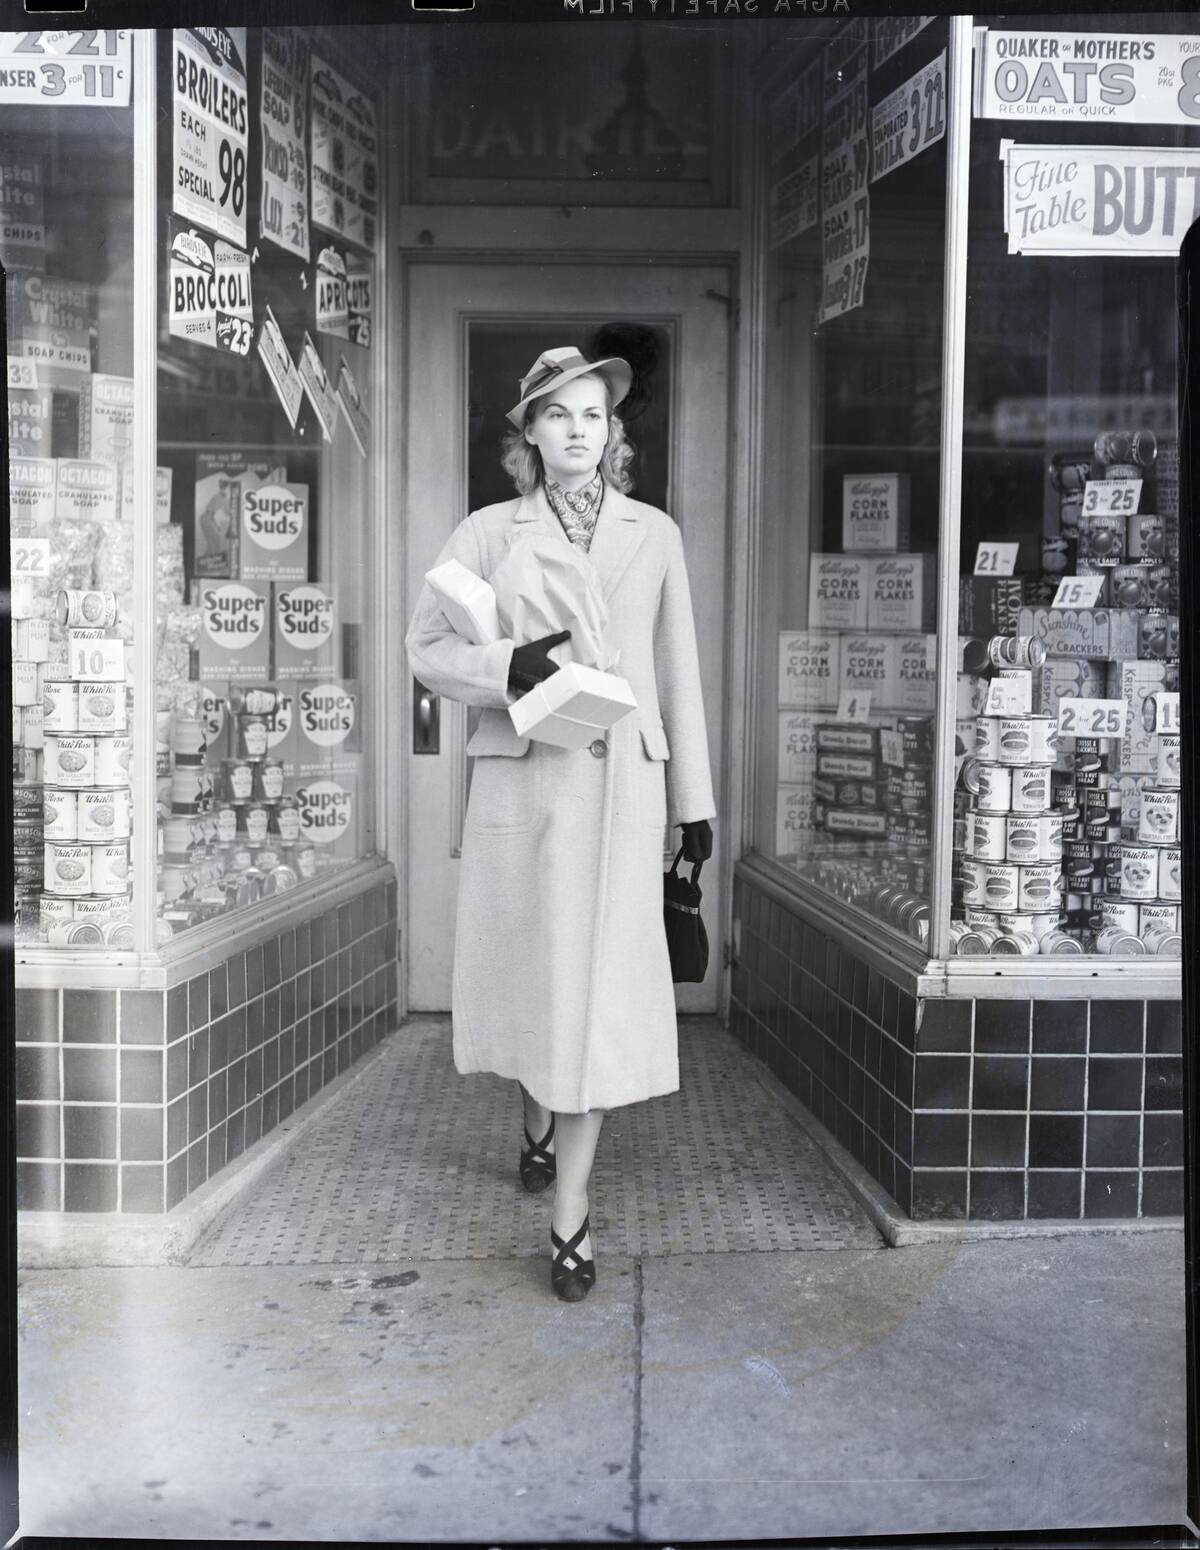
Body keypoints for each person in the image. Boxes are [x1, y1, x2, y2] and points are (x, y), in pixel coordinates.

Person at [405, 345, 715, 1302]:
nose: (580, 431)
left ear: (613, 433)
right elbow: (426, 648)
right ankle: (534, 1116)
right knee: (542, 978)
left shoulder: (652, 532)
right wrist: (509, 668)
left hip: (625, 790)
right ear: (528, 434)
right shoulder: (490, 533)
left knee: (598, 1002)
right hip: (526, 785)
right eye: (560, 415)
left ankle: (570, 1217)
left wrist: (694, 807)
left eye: (595, 415)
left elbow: (678, 671)